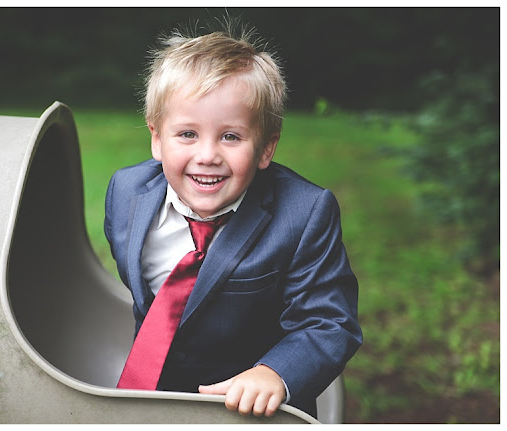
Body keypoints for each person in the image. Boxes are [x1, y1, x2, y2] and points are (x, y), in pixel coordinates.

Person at [104, 22, 362, 419]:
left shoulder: (305, 212)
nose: (207, 154)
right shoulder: (126, 194)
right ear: (156, 138)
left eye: (231, 137)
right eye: (187, 134)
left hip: (250, 407)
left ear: (265, 147)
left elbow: (329, 322)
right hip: (152, 395)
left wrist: (275, 374)